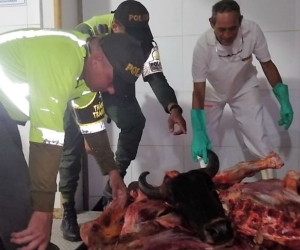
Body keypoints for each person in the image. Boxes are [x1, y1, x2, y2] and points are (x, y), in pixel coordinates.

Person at [0, 28, 144, 250]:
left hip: (5, 115)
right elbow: (47, 139)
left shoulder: (85, 69)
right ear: (98, 59)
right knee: (14, 190)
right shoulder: (62, 59)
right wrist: (44, 211)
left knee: (12, 191)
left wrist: (113, 174)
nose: (113, 90)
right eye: (113, 80)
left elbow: (93, 127)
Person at [58, 0, 187, 242]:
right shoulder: (86, 32)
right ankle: (67, 211)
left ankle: (111, 192)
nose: (137, 43)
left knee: (134, 121)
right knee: (71, 148)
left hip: (117, 90)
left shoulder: (145, 41)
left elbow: (155, 75)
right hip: (81, 88)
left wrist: (172, 107)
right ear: (115, 26)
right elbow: (70, 73)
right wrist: (88, 130)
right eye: (132, 37)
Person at [191, 0, 293, 179]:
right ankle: (205, 185)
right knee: (205, 142)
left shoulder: (252, 31)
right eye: (222, 29)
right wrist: (199, 132)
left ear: (241, 21)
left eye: (233, 28)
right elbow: (198, 90)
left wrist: (283, 99)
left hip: (244, 87)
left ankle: (269, 187)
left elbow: (267, 65)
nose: (228, 34)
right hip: (212, 91)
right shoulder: (202, 46)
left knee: (259, 138)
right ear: (211, 23)